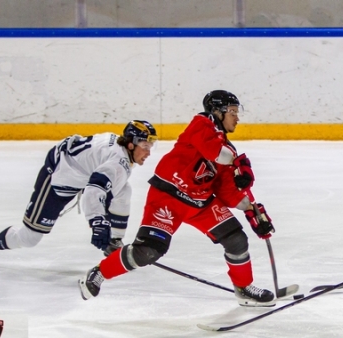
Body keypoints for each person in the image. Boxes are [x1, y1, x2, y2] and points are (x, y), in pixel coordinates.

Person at [78, 90, 279, 307]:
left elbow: (227, 190)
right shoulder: (201, 124)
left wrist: (251, 210)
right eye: (231, 111)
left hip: (201, 204)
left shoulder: (229, 150)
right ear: (217, 112)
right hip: (168, 197)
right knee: (148, 251)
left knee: (237, 240)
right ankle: (99, 272)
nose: (236, 117)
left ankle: (244, 288)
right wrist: (237, 162)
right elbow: (213, 151)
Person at [0, 120, 158, 267]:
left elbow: (96, 181)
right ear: (131, 144)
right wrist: (97, 222)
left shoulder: (120, 149)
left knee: (123, 189)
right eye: (145, 146)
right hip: (59, 175)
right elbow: (93, 191)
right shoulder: (118, 162)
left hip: (80, 172)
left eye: (151, 146)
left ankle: (115, 241)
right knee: (29, 237)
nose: (148, 152)